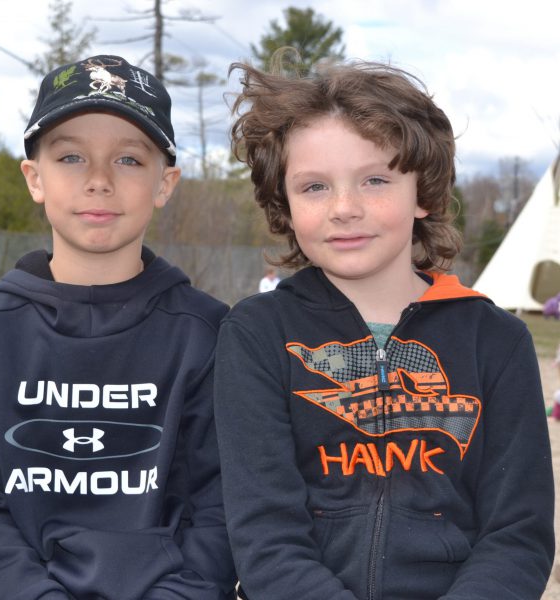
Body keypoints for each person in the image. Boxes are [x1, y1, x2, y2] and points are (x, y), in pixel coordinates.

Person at [213, 57, 555, 600]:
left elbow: (517, 536)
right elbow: (265, 535)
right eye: (315, 187)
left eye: (375, 180)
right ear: (285, 202)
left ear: (422, 193)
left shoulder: (495, 341)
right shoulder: (256, 334)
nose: (345, 208)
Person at [0, 55, 236, 600]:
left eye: (130, 160)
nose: (99, 181)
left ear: (166, 182)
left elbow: (221, 503)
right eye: (70, 156)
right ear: (34, 178)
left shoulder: (207, 333)